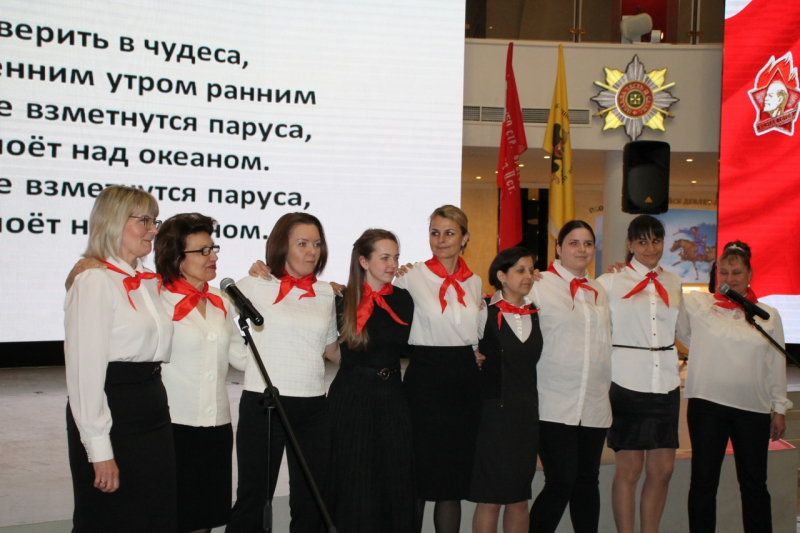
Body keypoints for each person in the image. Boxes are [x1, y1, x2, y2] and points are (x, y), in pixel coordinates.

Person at [65, 213, 251, 533]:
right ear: (176, 257)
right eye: (203, 251)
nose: (213, 257)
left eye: (213, 248)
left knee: (204, 519)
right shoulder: (154, 295)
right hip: (171, 426)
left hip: (216, 426)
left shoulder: (222, 300)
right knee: (167, 517)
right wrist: (77, 273)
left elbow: (242, 358)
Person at [64, 186, 176, 532]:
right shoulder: (94, 280)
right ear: (113, 221)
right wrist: (100, 450)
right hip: (115, 411)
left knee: (154, 517)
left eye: (155, 221)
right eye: (144, 220)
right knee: (109, 519)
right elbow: (85, 374)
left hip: (152, 408)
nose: (153, 230)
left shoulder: (146, 282)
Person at [227, 212, 340, 533]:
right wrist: (249, 364)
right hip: (264, 406)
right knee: (253, 499)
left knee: (311, 502)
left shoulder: (326, 293)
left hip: (314, 408)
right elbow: (222, 333)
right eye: (302, 244)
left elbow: (331, 350)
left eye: (317, 244)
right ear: (281, 246)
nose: (312, 251)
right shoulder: (253, 284)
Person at [677, 241, 791, 533]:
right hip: (706, 406)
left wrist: (779, 408)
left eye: (736, 272)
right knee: (703, 483)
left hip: (752, 408)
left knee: (754, 484)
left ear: (749, 274)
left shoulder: (767, 315)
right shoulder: (698, 305)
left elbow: (775, 363)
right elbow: (685, 335)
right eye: (724, 272)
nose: (730, 278)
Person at [394, 205, 485, 533]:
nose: (441, 239)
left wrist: (475, 352)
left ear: (465, 238)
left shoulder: (474, 281)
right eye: (435, 232)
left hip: (464, 381)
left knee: (452, 480)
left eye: (449, 233)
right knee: (418, 476)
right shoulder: (410, 275)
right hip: (426, 378)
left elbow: (476, 330)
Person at [597, 215, 682, 533]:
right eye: (642, 241)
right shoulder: (610, 282)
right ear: (630, 244)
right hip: (626, 381)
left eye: (656, 240)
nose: (650, 247)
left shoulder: (674, 282)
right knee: (629, 471)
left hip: (666, 382)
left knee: (663, 470)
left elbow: (682, 329)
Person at [327, 229, 416, 532]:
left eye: (396, 258)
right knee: (354, 477)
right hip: (352, 397)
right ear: (364, 261)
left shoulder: (404, 299)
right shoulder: (340, 299)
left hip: (392, 395)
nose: (393, 265)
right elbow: (330, 349)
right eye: (385, 258)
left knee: (393, 478)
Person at [528, 220, 612, 533]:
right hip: (553, 402)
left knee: (588, 480)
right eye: (573, 243)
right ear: (558, 248)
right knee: (560, 480)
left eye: (587, 243)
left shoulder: (599, 290)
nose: (581, 249)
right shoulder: (539, 284)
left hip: (592, 402)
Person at [470, 247, 542, 533]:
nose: (528, 276)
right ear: (501, 276)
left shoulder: (537, 313)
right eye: (520, 270)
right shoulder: (482, 312)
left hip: (526, 416)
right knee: (490, 500)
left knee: (519, 499)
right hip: (493, 417)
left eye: (531, 270)